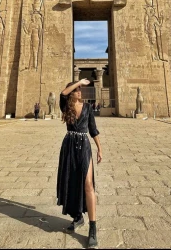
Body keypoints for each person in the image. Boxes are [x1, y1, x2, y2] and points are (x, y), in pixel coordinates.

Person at [57, 79, 102, 248]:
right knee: (72, 182)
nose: (79, 92)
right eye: (77, 89)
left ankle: (93, 228)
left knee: (88, 184)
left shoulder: (88, 108)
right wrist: (78, 82)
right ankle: (77, 216)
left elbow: (93, 130)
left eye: (81, 89)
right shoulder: (66, 107)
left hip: (84, 147)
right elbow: (62, 94)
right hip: (69, 147)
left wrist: (100, 149)